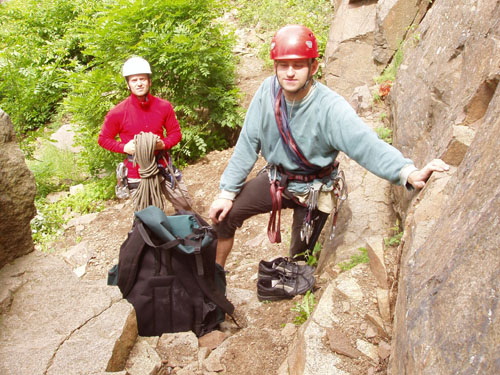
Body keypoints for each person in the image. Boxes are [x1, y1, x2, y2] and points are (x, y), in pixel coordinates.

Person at [208, 25, 449, 272]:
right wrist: (227, 192)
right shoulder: (266, 93)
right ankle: (215, 279)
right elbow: (247, 144)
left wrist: (406, 172)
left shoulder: (330, 108)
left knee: (299, 259)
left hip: (314, 189)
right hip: (277, 180)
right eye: (283, 65)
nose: (290, 73)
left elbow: (365, 144)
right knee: (225, 217)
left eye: (299, 65)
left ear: (313, 67)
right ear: (275, 67)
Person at [98, 56, 192, 213]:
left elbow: (175, 133)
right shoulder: (118, 113)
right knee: (148, 216)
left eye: (142, 79)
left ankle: (187, 233)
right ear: (128, 84)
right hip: (138, 170)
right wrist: (124, 148)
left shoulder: (163, 106)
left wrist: (164, 144)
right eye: (134, 80)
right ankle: (156, 236)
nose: (139, 83)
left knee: (185, 205)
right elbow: (103, 139)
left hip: (162, 163)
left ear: (150, 81)